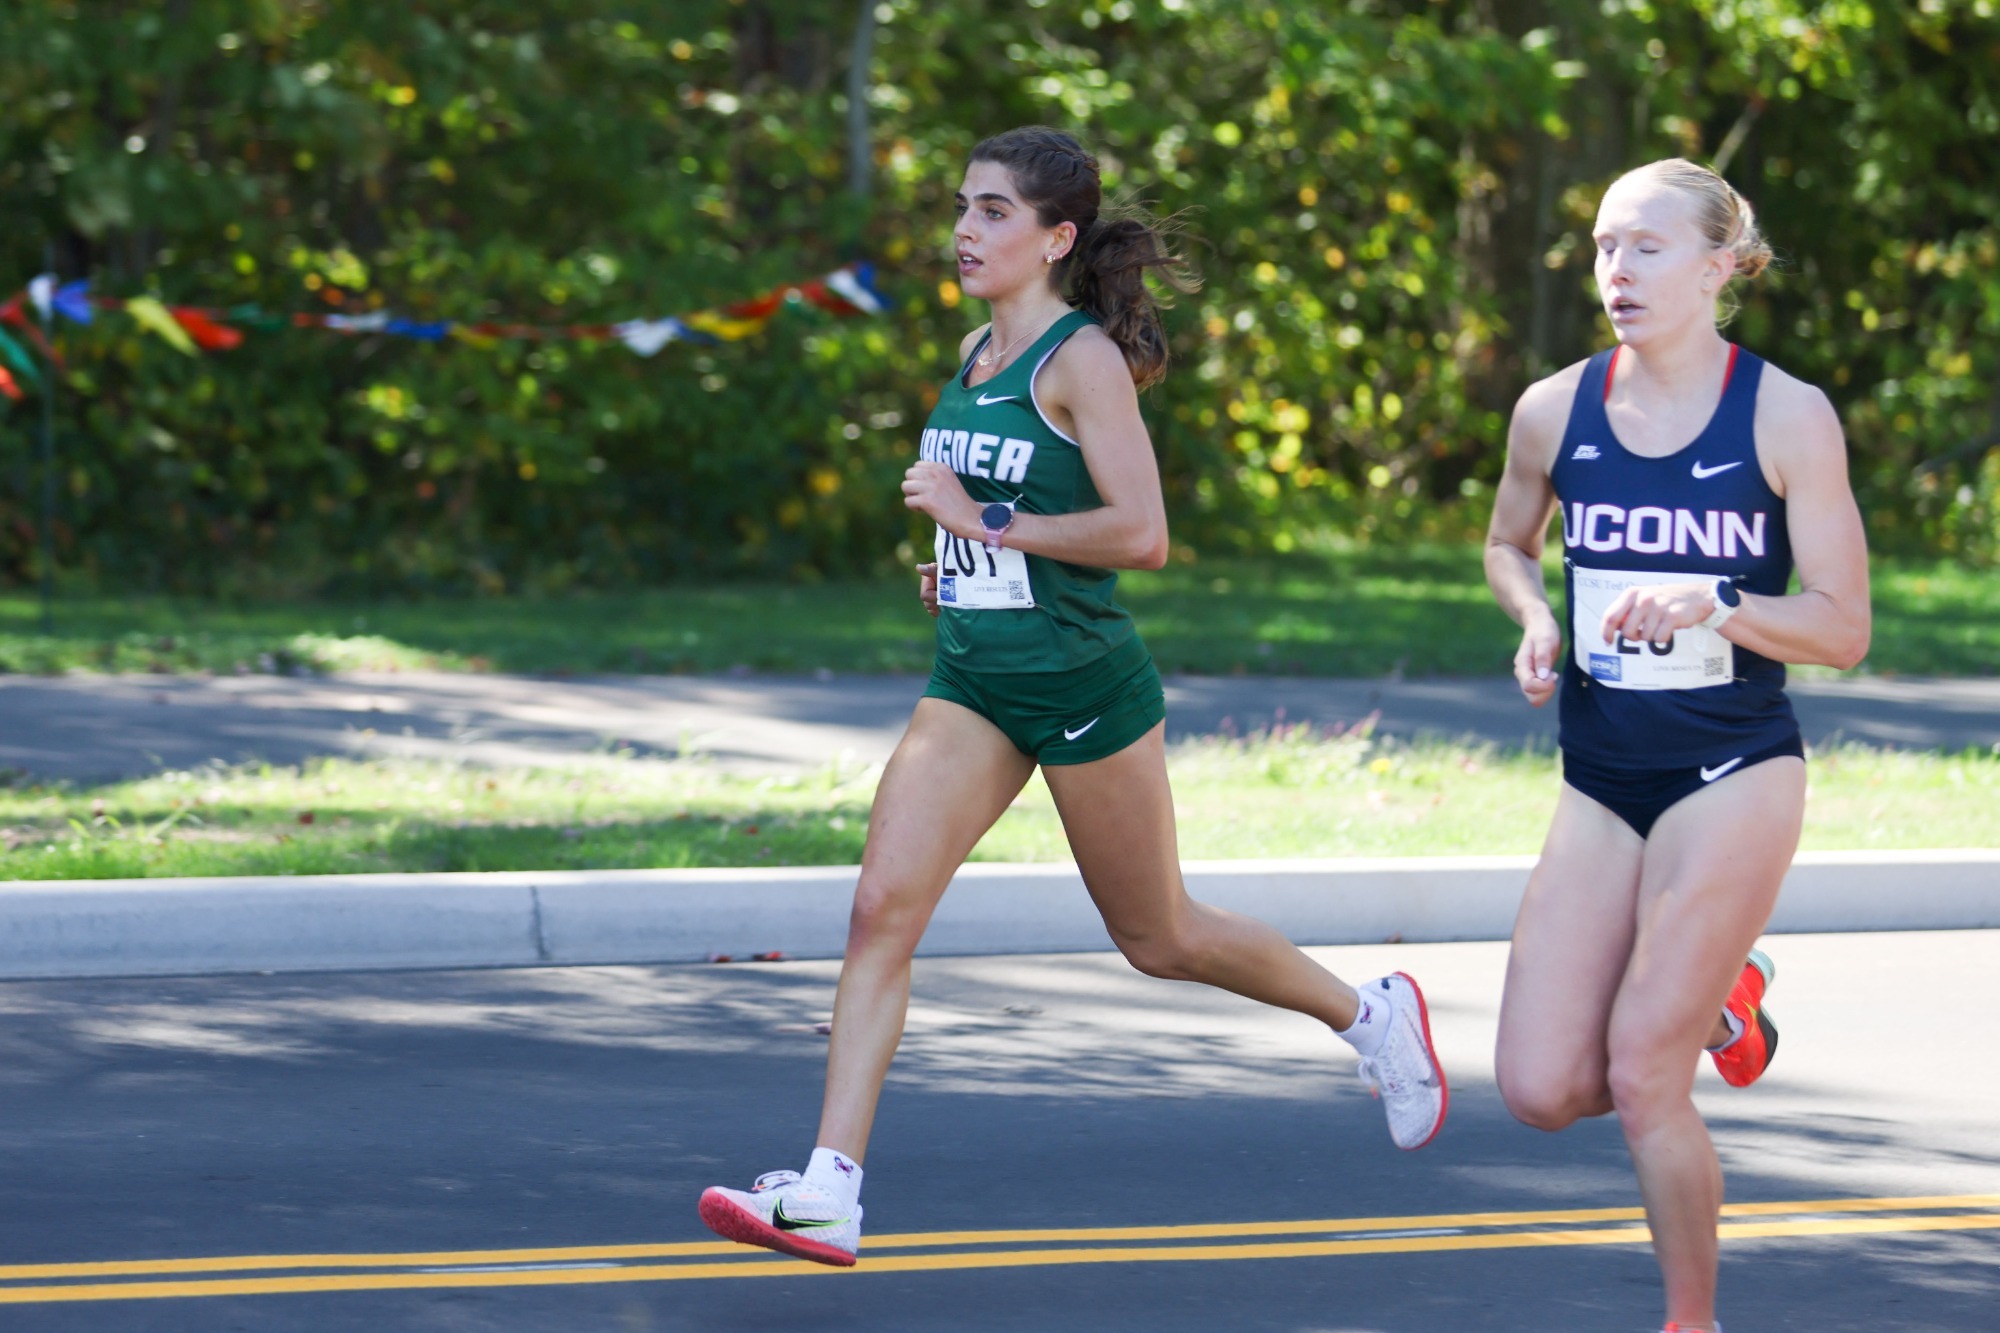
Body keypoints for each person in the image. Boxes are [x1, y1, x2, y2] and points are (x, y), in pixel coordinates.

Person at [698, 126, 1448, 1268]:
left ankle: (1372, 1015)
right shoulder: (974, 351)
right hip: (974, 678)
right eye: (963, 206)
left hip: (1081, 682)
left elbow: (1141, 533)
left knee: (1160, 936)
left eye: (994, 211)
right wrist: (959, 567)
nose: (965, 229)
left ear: (1056, 239)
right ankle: (829, 1189)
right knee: (879, 909)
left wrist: (984, 523)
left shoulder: (1079, 361)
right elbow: (1003, 525)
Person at [1484, 158, 1870, 1333]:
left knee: (1642, 1074)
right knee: (1541, 1087)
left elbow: (1842, 628)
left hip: (1732, 768)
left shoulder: (1785, 415)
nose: (1616, 270)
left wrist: (1721, 602)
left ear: (1718, 266)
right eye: (1604, 246)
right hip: (1600, 773)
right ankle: (1721, 1000)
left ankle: (1688, 1319)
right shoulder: (1552, 409)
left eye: (1645, 247)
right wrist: (1535, 615)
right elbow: (1506, 541)